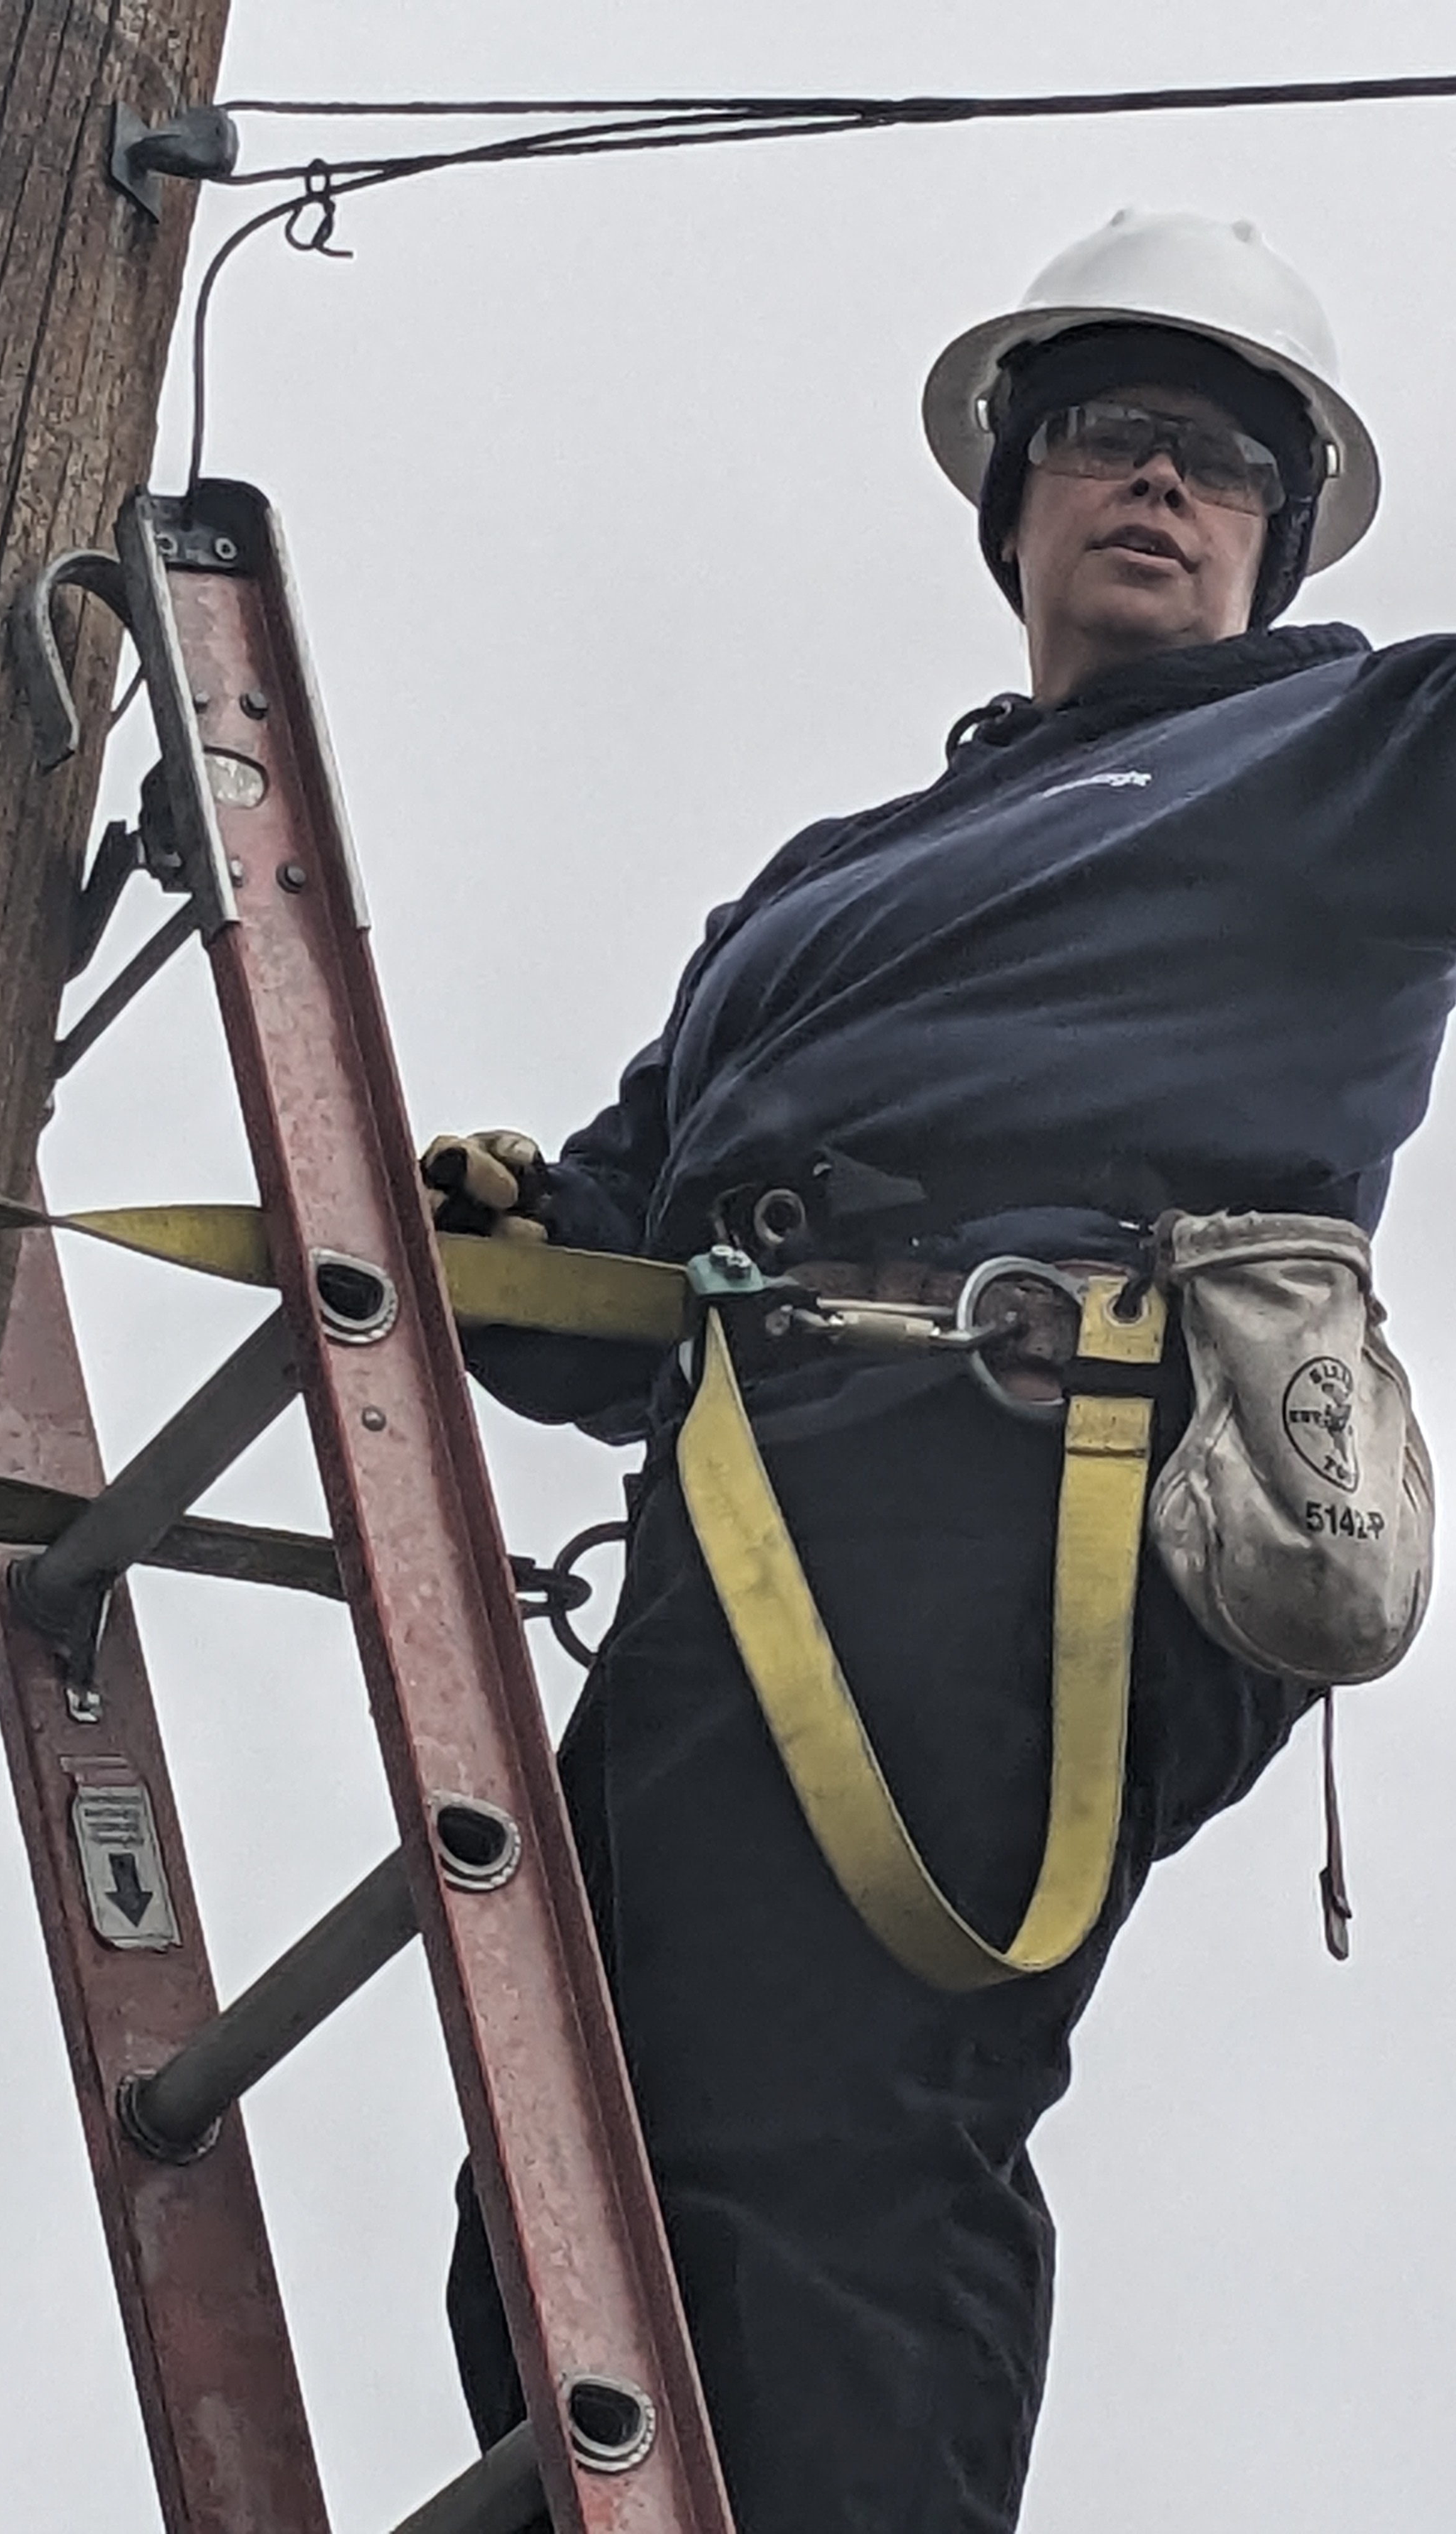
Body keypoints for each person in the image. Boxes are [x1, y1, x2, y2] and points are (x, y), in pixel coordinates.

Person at [428, 209, 1454, 2534]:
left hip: (1031, 1486)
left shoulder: (1353, 752)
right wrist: (511, 1249)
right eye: (1109, 439)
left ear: (1282, 549)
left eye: (1219, 462)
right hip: (763, 1518)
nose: (1161, 488)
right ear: (1016, 504)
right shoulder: (821, 886)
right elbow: (621, 1255)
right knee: (563, 2158)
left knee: (830, 2131)